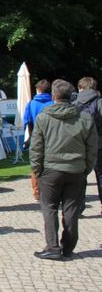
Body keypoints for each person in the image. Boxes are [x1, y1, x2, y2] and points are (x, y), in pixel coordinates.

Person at [30, 79, 97, 260]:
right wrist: (86, 169)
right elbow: (92, 148)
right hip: (75, 170)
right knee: (71, 209)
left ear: (53, 96)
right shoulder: (84, 117)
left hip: (51, 170)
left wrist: (37, 170)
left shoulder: (44, 117)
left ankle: (53, 246)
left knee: (49, 208)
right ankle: (67, 247)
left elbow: (36, 147)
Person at [74, 76, 102, 216]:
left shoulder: (74, 104)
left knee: (79, 177)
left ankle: (78, 208)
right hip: (99, 145)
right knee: (101, 176)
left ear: (80, 88)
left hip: (79, 145)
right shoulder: (100, 102)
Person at [23, 79, 54, 201]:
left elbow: (27, 121)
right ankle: (50, 190)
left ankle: (37, 192)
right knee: (50, 165)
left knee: (35, 165)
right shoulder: (53, 103)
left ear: (37, 90)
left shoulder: (31, 104)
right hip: (51, 138)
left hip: (36, 138)